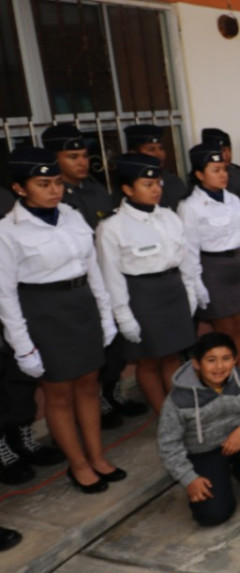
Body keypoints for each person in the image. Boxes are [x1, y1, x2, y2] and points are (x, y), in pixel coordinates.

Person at [0, 147, 123, 494]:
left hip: (81, 305)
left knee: (88, 385)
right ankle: (79, 465)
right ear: (20, 188)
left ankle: (97, 457)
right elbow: (5, 294)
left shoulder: (69, 215)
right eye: (43, 183)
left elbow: (92, 268)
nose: (54, 190)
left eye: (56, 182)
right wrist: (22, 347)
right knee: (59, 395)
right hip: (43, 312)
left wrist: (106, 314)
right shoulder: (8, 232)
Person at [43, 124, 143, 425]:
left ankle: (110, 394)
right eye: (73, 156)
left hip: (106, 279)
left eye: (85, 155)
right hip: (70, 287)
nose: (82, 162)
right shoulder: (51, 200)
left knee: (112, 348)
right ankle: (93, 402)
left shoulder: (98, 190)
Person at [96, 153, 197, 414]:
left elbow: (184, 258)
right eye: (147, 185)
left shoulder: (169, 217)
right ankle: (164, 415)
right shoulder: (112, 226)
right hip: (142, 296)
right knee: (149, 360)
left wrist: (190, 290)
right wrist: (123, 316)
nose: (156, 190)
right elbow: (111, 276)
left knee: (173, 355)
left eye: (158, 184)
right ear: (128, 189)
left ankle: (181, 411)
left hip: (173, 290)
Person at [157, 333, 240, 527]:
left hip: (236, 442)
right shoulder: (178, 400)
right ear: (196, 363)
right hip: (202, 453)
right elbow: (168, 446)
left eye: (226, 359)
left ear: (235, 359)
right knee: (212, 516)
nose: (220, 367)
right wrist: (190, 479)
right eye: (211, 360)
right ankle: (216, 480)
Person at [179, 143, 240, 366]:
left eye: (224, 169)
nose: (223, 175)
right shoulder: (190, 206)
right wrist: (197, 285)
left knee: (239, 326)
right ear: (200, 174)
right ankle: (227, 378)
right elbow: (189, 250)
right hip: (213, 270)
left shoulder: (233, 200)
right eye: (216, 170)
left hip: (237, 267)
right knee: (224, 330)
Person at [123, 124, 189, 210]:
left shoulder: (174, 181)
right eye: (151, 149)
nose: (159, 154)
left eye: (161, 148)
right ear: (133, 153)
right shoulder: (128, 184)